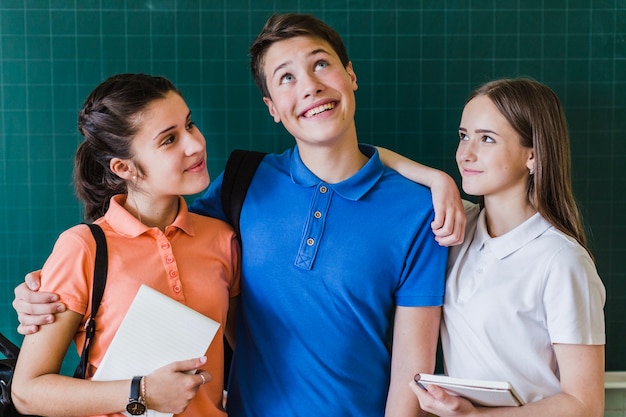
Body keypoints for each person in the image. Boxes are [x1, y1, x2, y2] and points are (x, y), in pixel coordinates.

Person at [12, 13, 467, 417]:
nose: (308, 85)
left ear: (350, 74)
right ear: (271, 108)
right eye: (285, 77)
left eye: (321, 64)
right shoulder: (241, 186)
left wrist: (429, 176)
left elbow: (413, 368)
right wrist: (43, 288)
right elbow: (131, 245)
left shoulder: (418, 210)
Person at [11, 73, 240, 417]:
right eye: (169, 140)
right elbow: (28, 391)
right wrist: (141, 392)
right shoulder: (82, 247)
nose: (195, 144)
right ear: (124, 167)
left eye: (190, 125)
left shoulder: (223, 238)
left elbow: (251, 357)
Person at [395, 78, 605, 416]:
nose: (466, 153)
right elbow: (373, 159)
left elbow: (585, 404)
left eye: (487, 139)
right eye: (464, 136)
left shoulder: (562, 261)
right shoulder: (460, 226)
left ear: (532, 155)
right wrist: (439, 179)